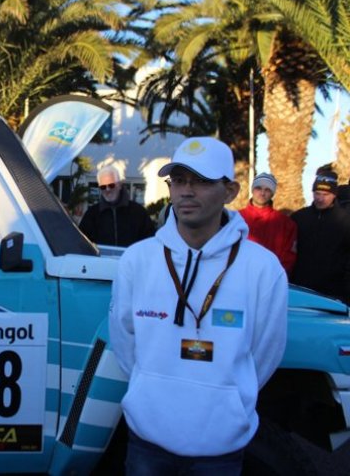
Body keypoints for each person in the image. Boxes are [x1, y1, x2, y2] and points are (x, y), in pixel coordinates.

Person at [109, 137, 287, 475]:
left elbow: (266, 352)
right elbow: (124, 338)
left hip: (220, 444)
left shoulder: (263, 269)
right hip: (148, 439)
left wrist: (228, 398)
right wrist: (151, 385)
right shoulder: (137, 259)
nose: (186, 191)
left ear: (230, 191)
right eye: (178, 180)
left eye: (201, 181)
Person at [290, 170, 350, 304]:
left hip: (335, 294)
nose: (320, 198)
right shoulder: (299, 218)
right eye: (317, 193)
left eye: (325, 194)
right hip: (301, 290)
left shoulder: (345, 221)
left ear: (334, 195)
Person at [78, 164, 155, 247]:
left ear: (119, 185)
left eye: (111, 185)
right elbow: (82, 243)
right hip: (101, 259)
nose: (108, 190)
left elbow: (149, 242)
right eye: (103, 187)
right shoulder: (92, 214)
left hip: (130, 259)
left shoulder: (138, 212)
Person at [238, 172, 297, 274]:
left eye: (267, 190)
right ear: (252, 189)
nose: (262, 193)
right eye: (258, 188)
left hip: (270, 278)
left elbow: (288, 258)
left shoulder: (286, 224)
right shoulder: (236, 218)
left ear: (272, 193)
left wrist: (275, 276)